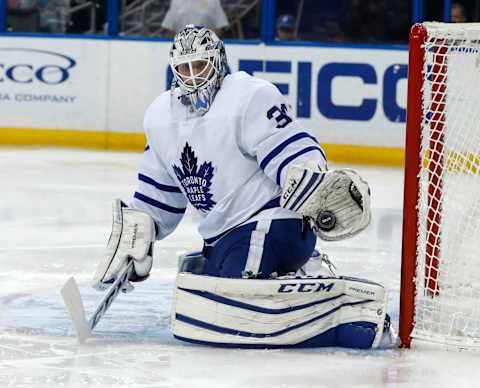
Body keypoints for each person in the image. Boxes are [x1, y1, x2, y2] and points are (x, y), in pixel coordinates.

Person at [92, 25, 390, 349]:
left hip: (272, 224)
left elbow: (290, 148)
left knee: (234, 305)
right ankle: (301, 272)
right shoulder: (160, 117)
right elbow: (159, 195)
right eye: (184, 68)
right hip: (222, 236)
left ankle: (344, 318)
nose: (192, 77)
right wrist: (139, 232)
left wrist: (312, 184)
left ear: (218, 62)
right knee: (206, 286)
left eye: (200, 66)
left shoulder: (248, 96)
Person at [161, 0, 229, 36]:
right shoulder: (176, 1)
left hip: (206, 49)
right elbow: (170, 28)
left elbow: (219, 27)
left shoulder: (213, 1)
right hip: (181, 50)